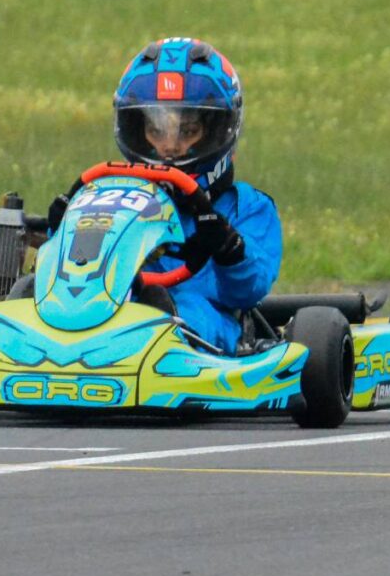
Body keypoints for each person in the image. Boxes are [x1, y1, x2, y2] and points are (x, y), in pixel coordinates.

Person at [105, 38, 281, 353]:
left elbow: (250, 290)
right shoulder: (115, 199)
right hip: (115, 307)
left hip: (209, 330)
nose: (170, 147)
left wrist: (228, 246)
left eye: (187, 132)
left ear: (217, 130)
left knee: (183, 307)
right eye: (156, 131)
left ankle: (161, 333)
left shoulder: (249, 208)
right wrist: (61, 229)